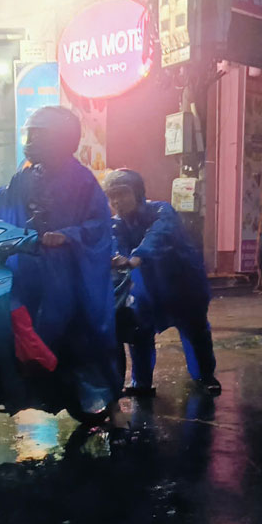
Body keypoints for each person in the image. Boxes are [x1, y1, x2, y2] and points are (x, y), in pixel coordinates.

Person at [0, 106, 118, 413]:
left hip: (65, 273)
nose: (31, 141)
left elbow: (99, 226)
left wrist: (67, 234)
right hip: (24, 265)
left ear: (61, 139)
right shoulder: (25, 176)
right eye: (30, 134)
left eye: (39, 135)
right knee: (4, 320)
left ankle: (107, 404)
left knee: (77, 328)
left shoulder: (82, 181)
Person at [103, 169, 221, 396]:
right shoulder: (116, 223)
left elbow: (160, 233)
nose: (117, 201)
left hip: (183, 284)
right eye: (112, 195)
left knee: (194, 331)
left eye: (123, 193)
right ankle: (141, 384)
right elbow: (113, 244)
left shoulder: (161, 210)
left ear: (138, 192)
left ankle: (205, 376)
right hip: (149, 288)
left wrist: (138, 255)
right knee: (139, 332)